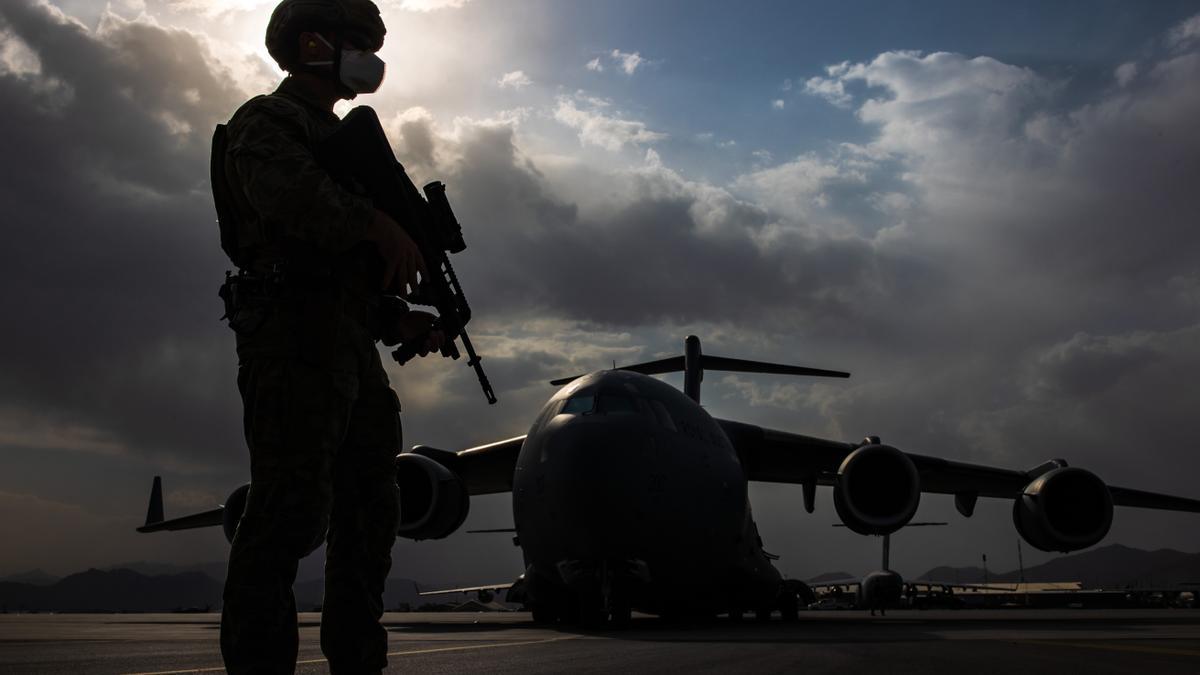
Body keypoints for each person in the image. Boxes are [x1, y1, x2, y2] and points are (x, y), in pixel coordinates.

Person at [212, 1, 440, 672]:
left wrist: (394, 317)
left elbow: (342, 270)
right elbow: (290, 200)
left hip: (348, 347)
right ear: (310, 44)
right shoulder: (268, 122)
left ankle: (358, 659)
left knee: (372, 513)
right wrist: (377, 224)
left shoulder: (340, 143)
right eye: (352, 42)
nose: (365, 56)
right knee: (290, 512)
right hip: (290, 340)